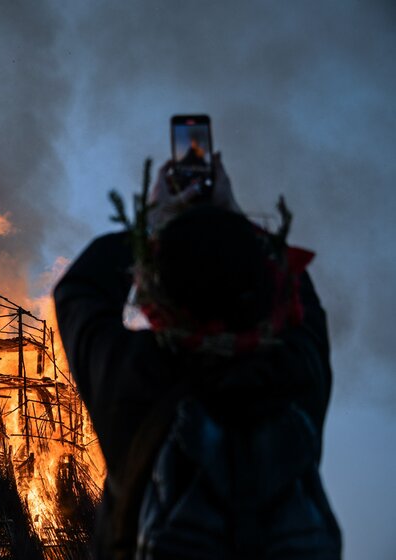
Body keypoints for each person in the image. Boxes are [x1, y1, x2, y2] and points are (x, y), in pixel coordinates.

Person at [54, 154, 341, 559]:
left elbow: (79, 290)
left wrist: (155, 220)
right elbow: (298, 301)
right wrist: (231, 216)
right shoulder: (292, 382)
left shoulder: (138, 382)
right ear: (266, 302)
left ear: (156, 301)